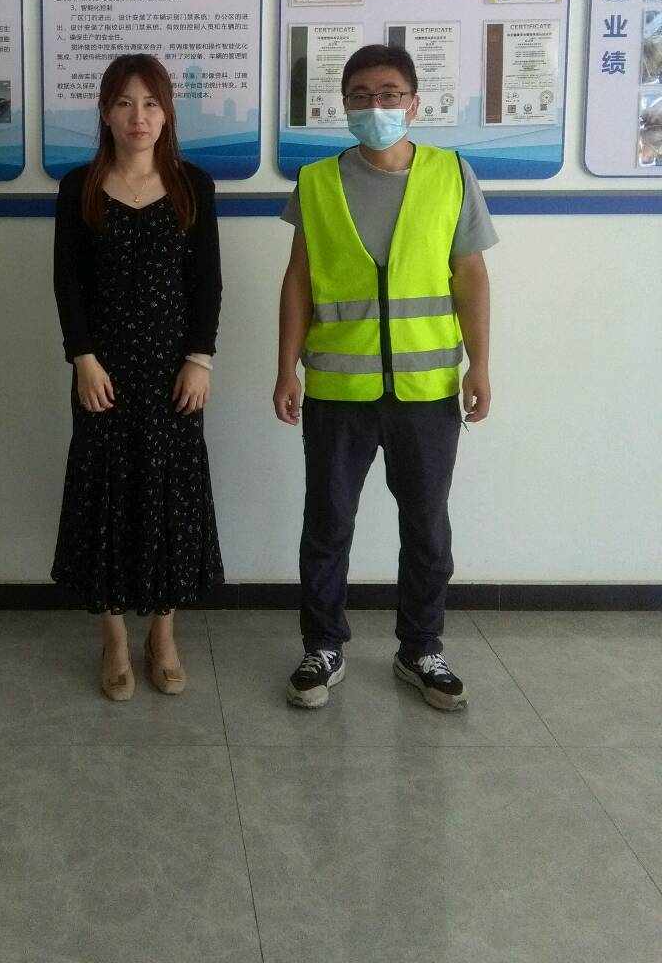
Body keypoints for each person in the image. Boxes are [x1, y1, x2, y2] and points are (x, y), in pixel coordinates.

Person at [274, 43, 496, 712]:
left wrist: (481, 365)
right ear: (344, 105)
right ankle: (322, 645)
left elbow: (470, 277)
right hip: (337, 389)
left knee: (426, 526)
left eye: (390, 94)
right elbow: (298, 280)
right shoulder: (317, 181)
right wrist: (285, 367)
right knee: (327, 524)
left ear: (414, 104)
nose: (376, 106)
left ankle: (421, 648)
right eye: (361, 95)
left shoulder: (451, 174)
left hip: (427, 390)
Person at [51, 55, 224, 700]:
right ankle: (115, 639)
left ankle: (164, 635)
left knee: (169, 497)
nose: (139, 116)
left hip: (175, 375)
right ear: (105, 112)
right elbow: (67, 282)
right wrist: (82, 358)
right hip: (102, 373)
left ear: (167, 112)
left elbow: (207, 283)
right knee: (104, 496)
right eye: (124, 103)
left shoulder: (191, 185)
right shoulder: (80, 187)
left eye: (151, 103)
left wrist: (200, 359)